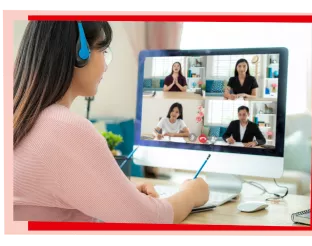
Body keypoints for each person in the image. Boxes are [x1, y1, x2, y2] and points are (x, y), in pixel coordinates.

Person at [13, 21, 209, 223]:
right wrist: (191, 194)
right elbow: (150, 219)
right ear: (80, 53)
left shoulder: (21, 119)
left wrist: (117, 195)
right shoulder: (65, 128)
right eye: (104, 51)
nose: (106, 66)